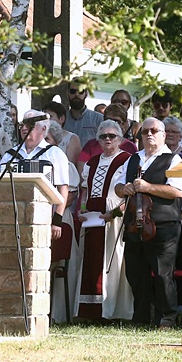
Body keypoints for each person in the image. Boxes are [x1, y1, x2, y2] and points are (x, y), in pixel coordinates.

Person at [0, 109, 74, 321]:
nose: (23, 128)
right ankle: (12, 310)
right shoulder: (9, 155)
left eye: (29, 125)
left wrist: (56, 221)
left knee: (38, 266)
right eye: (22, 124)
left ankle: (36, 313)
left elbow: (62, 190)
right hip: (13, 221)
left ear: (42, 129)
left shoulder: (54, 154)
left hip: (43, 222)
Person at [116, 117, 182, 327]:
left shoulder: (173, 159)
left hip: (163, 225)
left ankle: (167, 317)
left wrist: (147, 187)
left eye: (154, 131)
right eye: (144, 132)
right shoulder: (132, 159)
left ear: (163, 135)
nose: (148, 135)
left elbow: (178, 191)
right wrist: (124, 189)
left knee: (163, 273)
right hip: (134, 225)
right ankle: (141, 317)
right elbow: (117, 186)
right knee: (136, 273)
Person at [76, 120, 133, 321]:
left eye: (112, 136)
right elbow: (84, 191)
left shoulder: (127, 159)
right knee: (90, 262)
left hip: (114, 218)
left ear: (120, 139)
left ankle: (111, 311)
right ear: (98, 140)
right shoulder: (91, 163)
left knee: (112, 263)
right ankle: (88, 311)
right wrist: (82, 211)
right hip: (93, 218)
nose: (108, 139)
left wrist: (115, 214)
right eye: (103, 136)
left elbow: (129, 196)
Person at [42, 101, 82, 168]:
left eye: (50, 117)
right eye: (44, 117)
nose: (46, 120)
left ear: (62, 119)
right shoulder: (39, 136)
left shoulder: (72, 138)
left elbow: (70, 165)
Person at [66, 80, 104, 145]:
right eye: (73, 91)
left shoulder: (98, 119)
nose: (76, 94)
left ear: (86, 94)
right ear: (68, 93)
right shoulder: (62, 119)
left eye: (80, 91)